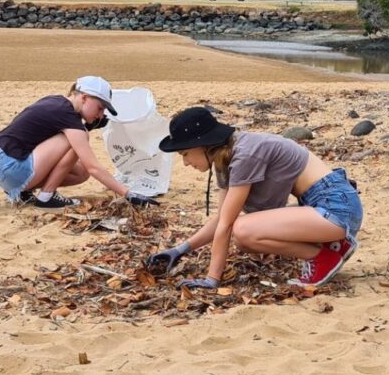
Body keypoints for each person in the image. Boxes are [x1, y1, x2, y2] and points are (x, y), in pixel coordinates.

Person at [147, 107, 363, 287]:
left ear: (203, 144)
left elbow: (227, 225)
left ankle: (322, 256)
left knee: (242, 230)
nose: (185, 162)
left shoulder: (245, 154)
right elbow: (220, 219)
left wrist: (211, 280)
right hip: (319, 209)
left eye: (185, 154)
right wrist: (179, 250)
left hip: (336, 207)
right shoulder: (226, 156)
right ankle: (332, 246)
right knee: (244, 237)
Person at [0, 76, 158, 209]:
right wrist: (128, 194)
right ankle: (46, 196)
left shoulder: (56, 102)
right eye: (100, 108)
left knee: (81, 173)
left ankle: (24, 193)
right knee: (80, 138)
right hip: (11, 168)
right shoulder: (69, 119)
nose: (100, 115)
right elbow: (94, 167)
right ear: (84, 98)